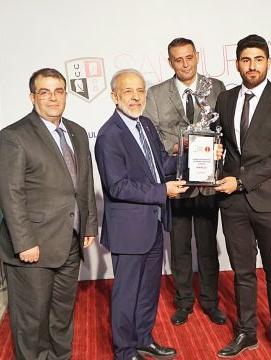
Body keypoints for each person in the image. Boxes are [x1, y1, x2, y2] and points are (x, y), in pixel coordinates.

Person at [95, 69, 221, 360]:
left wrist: (202, 155)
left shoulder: (147, 126)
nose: (136, 97)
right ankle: (125, 351)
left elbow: (162, 163)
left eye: (140, 90)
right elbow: (118, 186)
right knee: (127, 293)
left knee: (148, 290)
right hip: (129, 230)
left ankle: (143, 339)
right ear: (115, 96)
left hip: (153, 223)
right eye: (129, 91)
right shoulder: (108, 135)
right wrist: (162, 192)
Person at [0, 68, 98, 360]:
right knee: (32, 322)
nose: (53, 98)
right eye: (45, 92)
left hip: (70, 242)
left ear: (65, 94)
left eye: (58, 91)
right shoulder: (13, 137)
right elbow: (10, 194)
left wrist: (89, 225)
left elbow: (84, 183)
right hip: (33, 248)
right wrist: (24, 242)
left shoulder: (76, 132)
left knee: (61, 318)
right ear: (32, 97)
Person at [214, 34, 271, 360]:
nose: (252, 66)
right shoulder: (226, 99)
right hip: (232, 202)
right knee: (242, 272)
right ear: (237, 63)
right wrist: (214, 155)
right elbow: (225, 146)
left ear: (268, 62)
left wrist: (241, 181)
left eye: (258, 60)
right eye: (246, 60)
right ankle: (246, 332)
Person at [143, 37, 227, 326]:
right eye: (178, 59)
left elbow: (223, 129)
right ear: (170, 62)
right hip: (175, 178)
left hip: (207, 180)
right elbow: (151, 134)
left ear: (197, 56)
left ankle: (210, 301)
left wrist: (217, 148)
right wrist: (182, 144)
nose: (185, 64)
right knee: (178, 246)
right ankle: (183, 302)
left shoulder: (215, 87)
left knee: (207, 244)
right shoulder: (155, 93)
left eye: (189, 57)